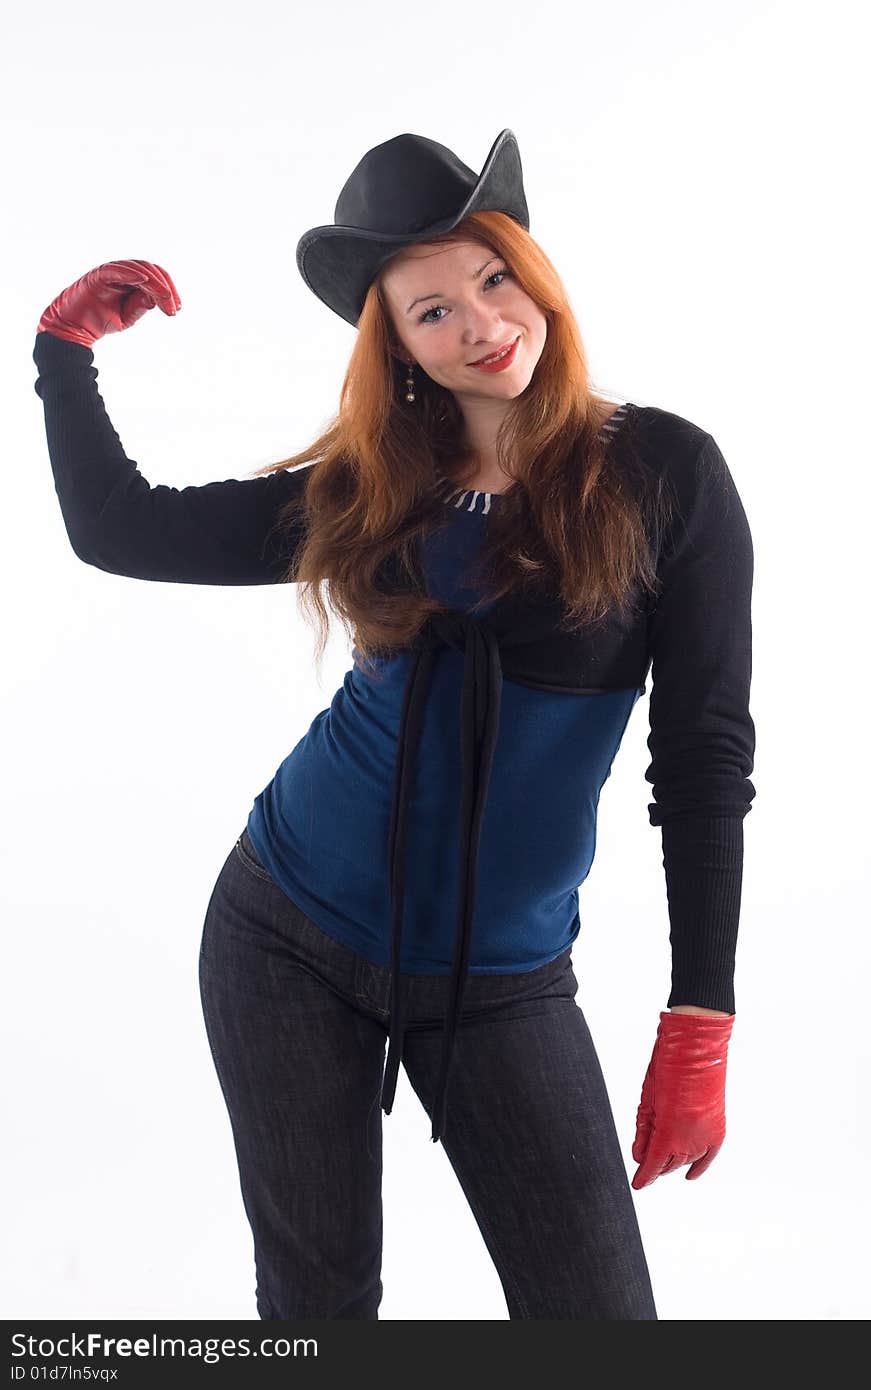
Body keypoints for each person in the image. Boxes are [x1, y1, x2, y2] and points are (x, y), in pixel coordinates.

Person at [32, 129, 756, 1321]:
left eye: (492, 277)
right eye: (431, 311)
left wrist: (701, 1014)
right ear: (402, 349)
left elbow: (702, 758)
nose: (480, 323)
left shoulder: (666, 476)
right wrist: (64, 357)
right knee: (317, 1314)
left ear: (533, 269)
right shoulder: (373, 486)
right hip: (283, 934)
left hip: (502, 978)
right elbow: (123, 530)